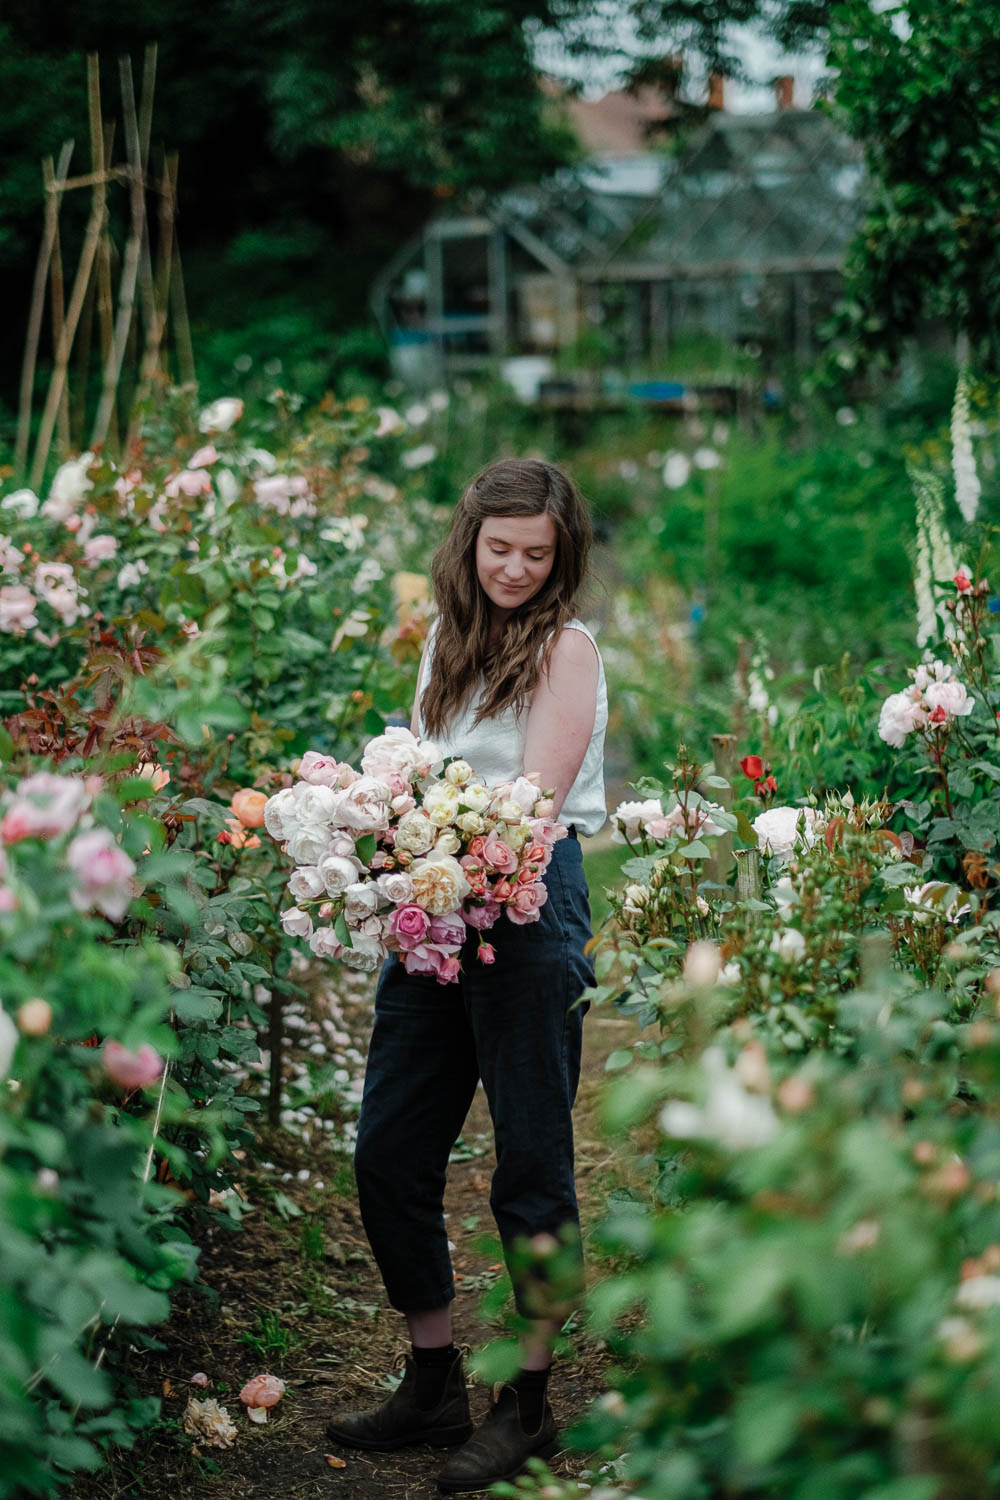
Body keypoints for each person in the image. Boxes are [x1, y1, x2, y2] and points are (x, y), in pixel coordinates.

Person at [326, 457, 608, 1492]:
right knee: (391, 1146)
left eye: (537, 554)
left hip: (528, 907)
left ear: (560, 555)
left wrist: (448, 846)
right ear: (470, 545)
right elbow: (417, 766)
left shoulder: (567, 650)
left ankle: (528, 1405)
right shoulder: (447, 641)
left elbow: (539, 790)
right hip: (436, 901)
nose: (517, 569)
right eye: (500, 550)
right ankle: (433, 1376)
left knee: (530, 1163)